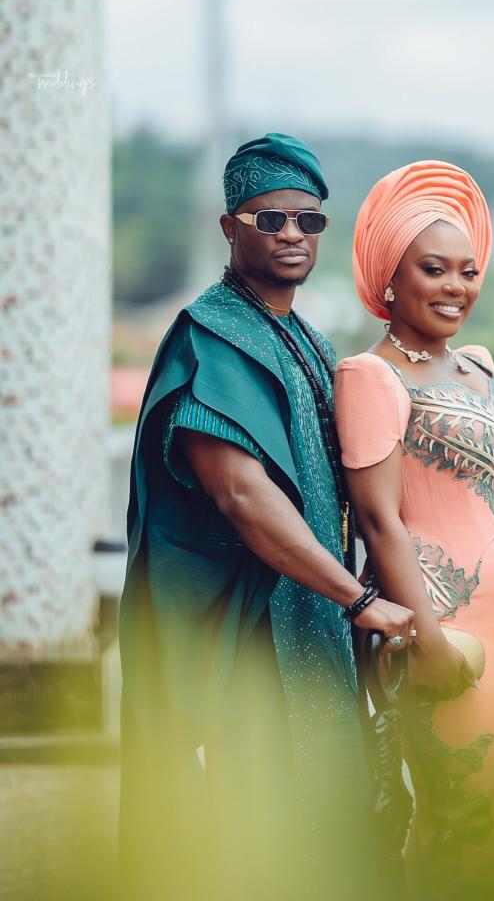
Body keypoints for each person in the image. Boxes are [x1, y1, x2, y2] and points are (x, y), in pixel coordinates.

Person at [118, 133, 415, 901]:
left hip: (317, 620)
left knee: (330, 824)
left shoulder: (308, 341)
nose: (291, 234)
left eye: (308, 221)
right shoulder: (210, 335)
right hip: (249, 633)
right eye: (269, 219)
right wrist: (360, 599)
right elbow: (243, 499)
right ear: (230, 228)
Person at [334, 160, 494, 901]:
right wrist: (426, 640)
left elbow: (474, 491)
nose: (455, 286)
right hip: (445, 628)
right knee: (463, 823)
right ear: (390, 277)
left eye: (468, 270)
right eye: (434, 269)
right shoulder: (370, 378)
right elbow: (381, 518)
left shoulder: (477, 365)